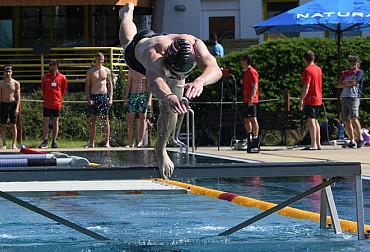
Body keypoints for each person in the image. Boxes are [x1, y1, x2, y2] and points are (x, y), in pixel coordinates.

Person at [119, 3, 222, 179]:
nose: (179, 77)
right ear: (167, 59)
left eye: (185, 74)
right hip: (138, 50)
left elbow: (216, 69)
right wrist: (169, 96)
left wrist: (200, 81)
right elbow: (157, 82)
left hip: (168, 40)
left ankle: (161, 147)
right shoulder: (154, 56)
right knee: (128, 39)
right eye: (175, 73)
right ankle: (126, 15)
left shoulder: (195, 44)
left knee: (171, 109)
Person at [85, 52, 113, 148]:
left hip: (104, 95)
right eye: (99, 58)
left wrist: (111, 98)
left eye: (102, 59)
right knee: (93, 119)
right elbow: (87, 86)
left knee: (105, 119)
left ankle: (107, 142)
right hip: (94, 95)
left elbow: (110, 85)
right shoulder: (90, 71)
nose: (100, 60)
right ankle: (91, 142)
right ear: (95, 59)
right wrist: (88, 98)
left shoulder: (107, 70)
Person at [337, 55, 366, 149]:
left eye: (354, 63)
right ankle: (352, 140)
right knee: (346, 120)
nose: (352, 65)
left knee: (354, 117)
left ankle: (360, 137)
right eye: (351, 63)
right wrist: (347, 82)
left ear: (357, 63)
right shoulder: (346, 73)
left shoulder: (359, 72)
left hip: (354, 97)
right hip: (344, 96)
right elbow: (339, 84)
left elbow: (354, 83)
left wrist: (345, 82)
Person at [39, 59, 67, 149]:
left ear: (56, 66)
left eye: (51, 65)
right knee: (46, 121)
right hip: (47, 103)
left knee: (56, 121)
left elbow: (63, 90)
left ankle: (54, 141)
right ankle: (45, 140)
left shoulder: (62, 78)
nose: (49, 67)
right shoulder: (46, 77)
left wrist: (57, 97)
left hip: (57, 103)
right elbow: (43, 89)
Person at [298, 51, 322, 151]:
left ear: (305, 59)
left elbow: (306, 86)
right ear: (313, 58)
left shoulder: (307, 70)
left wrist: (301, 100)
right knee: (315, 120)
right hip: (318, 97)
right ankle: (318, 143)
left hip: (311, 99)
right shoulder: (318, 69)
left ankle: (313, 144)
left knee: (311, 120)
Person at [124, 68, 152, 147]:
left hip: (142, 95)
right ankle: (130, 142)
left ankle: (140, 141)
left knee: (143, 118)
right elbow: (129, 84)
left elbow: (149, 86)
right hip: (133, 95)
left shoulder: (145, 69)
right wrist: (126, 97)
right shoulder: (132, 70)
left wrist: (149, 100)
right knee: (130, 118)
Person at [0, 65, 20, 149]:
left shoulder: (16, 83)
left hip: (12, 104)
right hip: (4, 104)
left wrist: (17, 107)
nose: (7, 73)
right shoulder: (1, 83)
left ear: (11, 72)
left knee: (13, 125)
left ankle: (14, 144)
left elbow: (18, 96)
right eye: (6, 71)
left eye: (9, 71)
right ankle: (4, 144)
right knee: (3, 125)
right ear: (4, 73)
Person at [240, 54, 259, 142]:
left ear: (246, 61)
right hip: (246, 98)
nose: (241, 62)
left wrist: (251, 97)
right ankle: (249, 136)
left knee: (253, 118)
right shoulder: (246, 72)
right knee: (246, 118)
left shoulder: (252, 71)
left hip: (251, 99)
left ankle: (255, 137)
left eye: (242, 60)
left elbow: (255, 85)